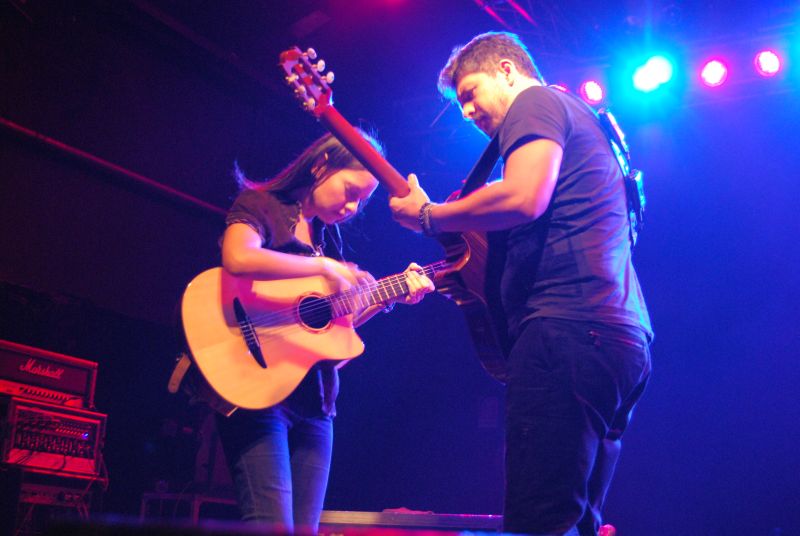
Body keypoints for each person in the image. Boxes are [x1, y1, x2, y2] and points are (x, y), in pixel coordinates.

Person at [389, 32, 653, 536]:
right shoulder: (583, 123)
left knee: (539, 520)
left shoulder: (534, 102)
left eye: (470, 93)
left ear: (508, 71)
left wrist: (430, 217)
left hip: (567, 332)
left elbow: (525, 196)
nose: (466, 112)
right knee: (576, 522)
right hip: (622, 339)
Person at [217, 131, 434, 533]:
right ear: (321, 167)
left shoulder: (327, 241)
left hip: (315, 405)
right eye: (350, 191)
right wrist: (322, 268)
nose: (352, 208)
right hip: (258, 392)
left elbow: (330, 327)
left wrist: (390, 295)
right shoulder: (262, 206)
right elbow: (237, 256)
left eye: (361, 202)